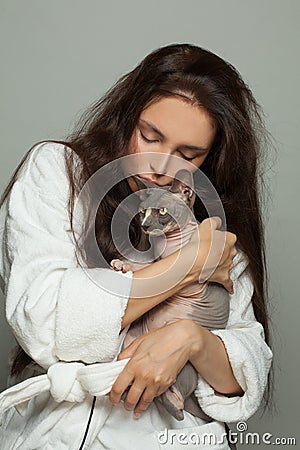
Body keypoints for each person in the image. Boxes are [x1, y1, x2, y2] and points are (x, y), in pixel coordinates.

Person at [0, 43, 273, 449]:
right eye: (150, 136)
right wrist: (188, 264)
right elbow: (45, 318)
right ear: (128, 117)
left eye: (188, 154)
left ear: (212, 156)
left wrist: (190, 340)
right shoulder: (59, 171)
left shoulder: (212, 221)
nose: (161, 167)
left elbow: (244, 373)